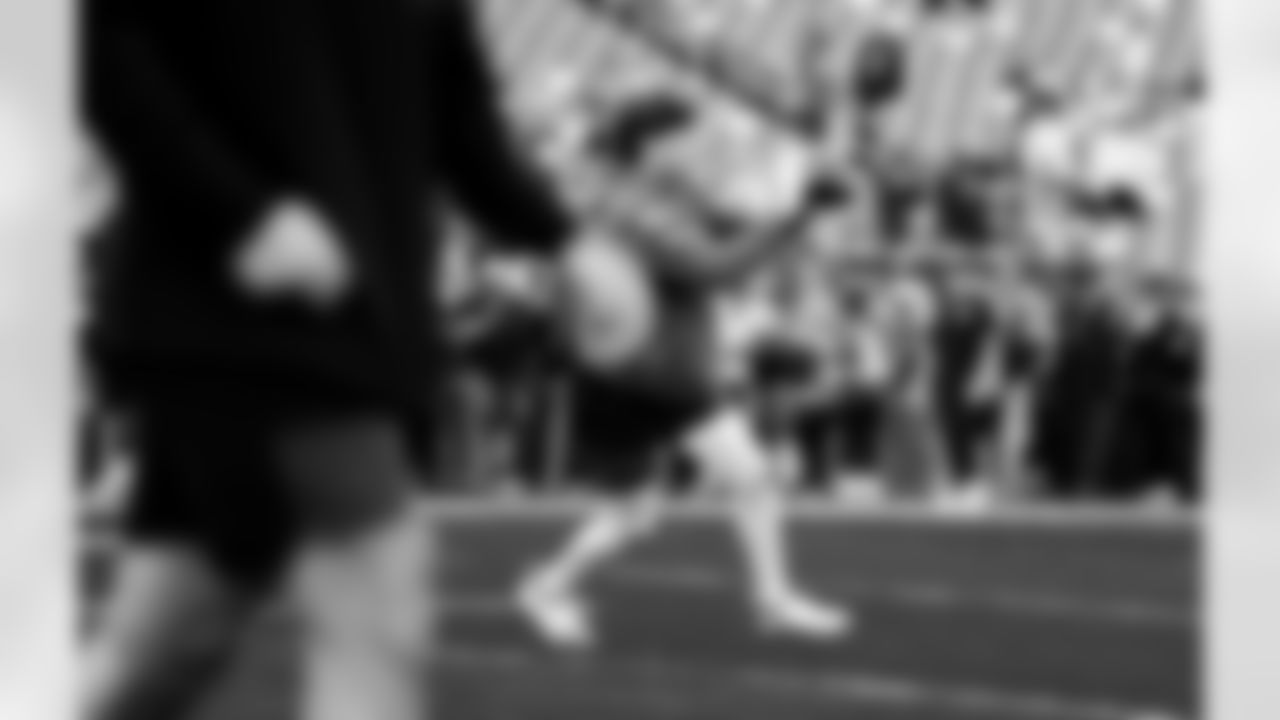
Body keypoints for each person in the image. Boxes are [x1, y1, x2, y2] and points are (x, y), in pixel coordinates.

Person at [81, 1, 578, 719]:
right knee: (377, 603)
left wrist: (564, 238)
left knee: (167, 647)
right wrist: (238, 212)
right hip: (243, 312)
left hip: (357, 320)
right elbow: (99, 42)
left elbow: (459, 112)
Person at [515, 98, 851, 650]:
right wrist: (801, 209)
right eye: (686, 139)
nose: (699, 149)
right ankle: (770, 599)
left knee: (684, 495)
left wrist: (800, 199)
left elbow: (731, 225)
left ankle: (550, 587)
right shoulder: (630, 204)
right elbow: (714, 267)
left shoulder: (654, 191)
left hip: (645, 366)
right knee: (699, 491)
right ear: (651, 146)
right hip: (645, 371)